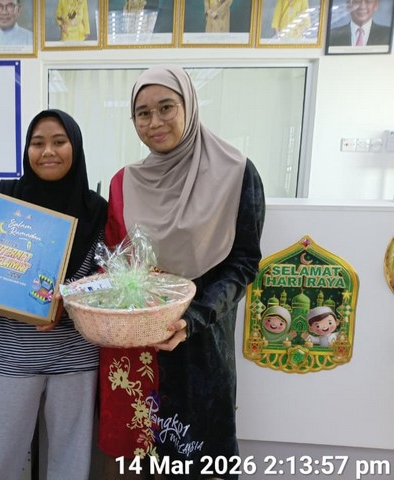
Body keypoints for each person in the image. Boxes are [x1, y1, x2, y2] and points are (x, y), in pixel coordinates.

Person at [98, 65, 265, 479]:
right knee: (145, 462)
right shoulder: (124, 182)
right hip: (141, 349)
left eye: (166, 108)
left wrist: (192, 318)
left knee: (202, 462)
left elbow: (244, 262)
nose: (154, 122)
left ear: (189, 106)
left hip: (202, 346)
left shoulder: (236, 173)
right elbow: (114, 259)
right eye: (142, 113)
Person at [0, 109, 107, 480]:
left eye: (59, 142)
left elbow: (109, 283)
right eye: (37, 142)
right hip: (8, 357)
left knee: (71, 466)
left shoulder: (97, 212)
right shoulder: (1, 198)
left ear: (76, 147)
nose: (48, 151)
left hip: (75, 358)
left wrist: (70, 300)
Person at [328, 0, 392, 46]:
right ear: (348, 5)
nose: (362, 7)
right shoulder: (333, 35)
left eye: (368, 1)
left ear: (376, 5)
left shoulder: (388, 34)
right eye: (357, 1)